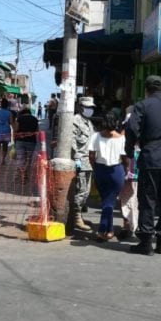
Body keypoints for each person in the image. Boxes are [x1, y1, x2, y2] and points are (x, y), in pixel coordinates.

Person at [124, 75, 161, 255]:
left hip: (152, 157)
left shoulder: (143, 105)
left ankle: (146, 242)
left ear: (146, 89)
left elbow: (132, 128)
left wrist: (129, 150)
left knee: (148, 199)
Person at [89, 113, 127, 241]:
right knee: (109, 202)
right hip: (117, 171)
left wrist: (95, 168)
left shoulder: (95, 136)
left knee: (106, 201)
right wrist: (126, 170)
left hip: (100, 170)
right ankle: (108, 230)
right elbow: (125, 158)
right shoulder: (121, 138)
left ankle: (102, 230)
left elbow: (91, 156)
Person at [70, 96, 95, 232]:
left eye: (91, 108)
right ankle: (76, 218)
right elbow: (72, 143)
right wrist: (77, 161)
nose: (90, 110)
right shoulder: (75, 121)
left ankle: (79, 216)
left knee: (86, 191)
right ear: (80, 107)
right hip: (80, 161)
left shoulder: (88, 122)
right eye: (87, 107)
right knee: (80, 190)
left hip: (88, 162)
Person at [117, 105, 139, 241]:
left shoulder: (125, 129)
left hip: (128, 167)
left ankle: (129, 226)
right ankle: (132, 225)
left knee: (126, 196)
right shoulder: (144, 127)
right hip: (138, 167)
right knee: (135, 197)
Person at [14, 105, 39, 188]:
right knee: (28, 159)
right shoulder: (35, 119)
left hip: (20, 141)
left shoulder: (19, 119)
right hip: (31, 142)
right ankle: (25, 174)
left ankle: (22, 176)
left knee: (21, 159)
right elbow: (37, 131)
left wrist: (15, 139)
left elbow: (16, 129)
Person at [0, 98, 15, 167]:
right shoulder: (9, 113)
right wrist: (14, 131)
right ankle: (3, 160)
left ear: (1, 105)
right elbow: (11, 122)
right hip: (7, 132)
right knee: (5, 147)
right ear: (7, 105)